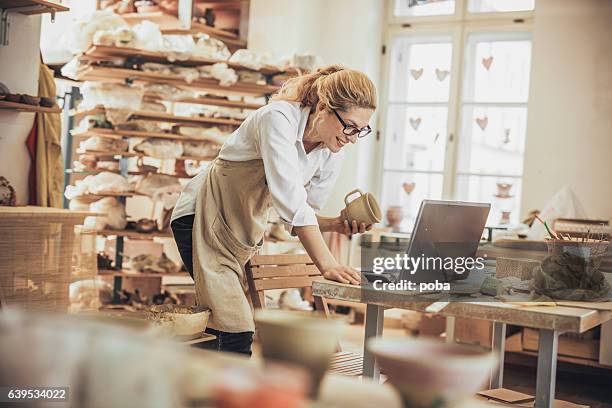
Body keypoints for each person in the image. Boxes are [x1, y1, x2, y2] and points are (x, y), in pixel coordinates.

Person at [170, 64, 377, 356]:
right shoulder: (277, 118)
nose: (353, 138)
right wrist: (328, 265)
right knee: (233, 328)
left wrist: (337, 224)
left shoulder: (331, 152)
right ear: (323, 108)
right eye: (350, 126)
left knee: (223, 325)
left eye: (361, 130)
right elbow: (292, 204)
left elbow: (301, 215)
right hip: (200, 218)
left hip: (239, 233)